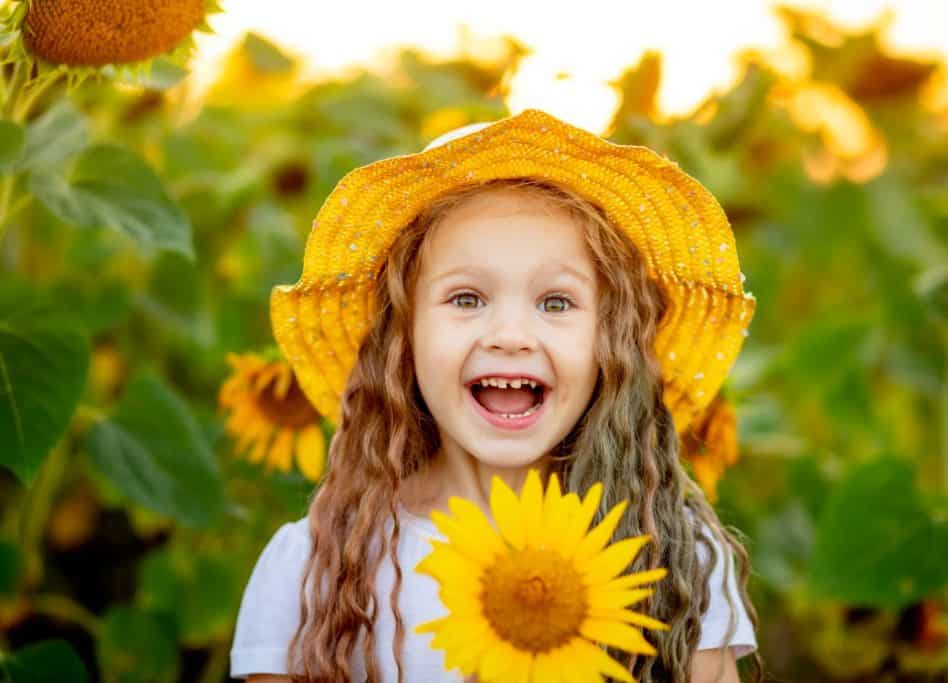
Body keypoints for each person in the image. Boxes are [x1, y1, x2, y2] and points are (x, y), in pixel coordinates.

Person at [230, 108, 761, 683]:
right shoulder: (316, 567)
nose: (510, 336)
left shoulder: (672, 552)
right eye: (465, 298)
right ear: (401, 336)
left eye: (556, 303)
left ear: (614, 341)